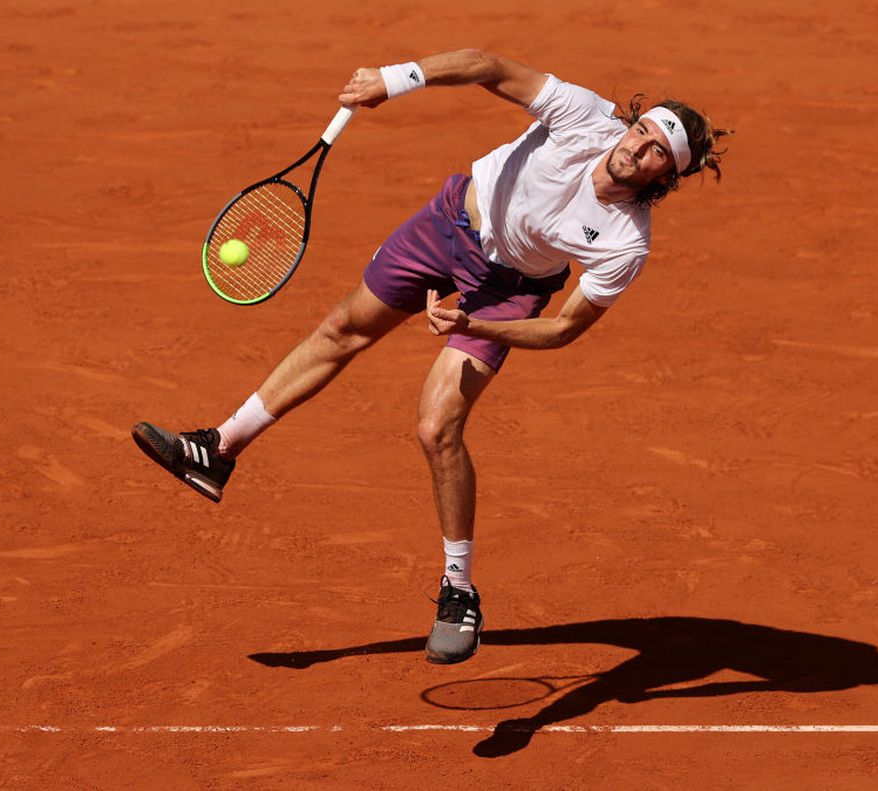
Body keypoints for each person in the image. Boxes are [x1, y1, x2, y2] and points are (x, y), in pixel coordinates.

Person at [132, 48, 730, 665]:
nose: (638, 146)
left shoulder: (625, 243)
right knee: (342, 328)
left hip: (506, 292)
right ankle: (218, 449)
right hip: (448, 224)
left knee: (436, 427)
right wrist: (393, 81)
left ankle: (458, 589)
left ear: (666, 177)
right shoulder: (581, 115)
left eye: (658, 149)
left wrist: (474, 323)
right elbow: (485, 66)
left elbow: (562, 330)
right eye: (641, 129)